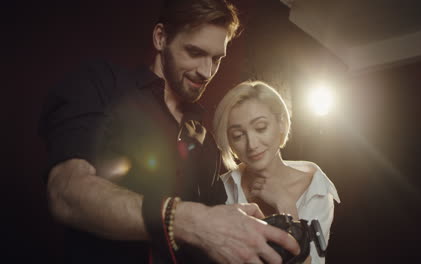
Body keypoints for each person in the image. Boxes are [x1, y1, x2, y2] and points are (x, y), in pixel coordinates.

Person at [39, 1, 300, 263]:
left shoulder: (207, 144)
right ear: (161, 38)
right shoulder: (101, 84)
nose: (206, 71)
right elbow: (66, 192)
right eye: (194, 52)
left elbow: (213, 237)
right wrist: (186, 220)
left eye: (216, 58)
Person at [213, 81, 341, 264]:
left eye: (260, 128)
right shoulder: (220, 188)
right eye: (238, 135)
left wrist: (285, 205)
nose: (252, 144)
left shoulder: (316, 189)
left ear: (281, 123)